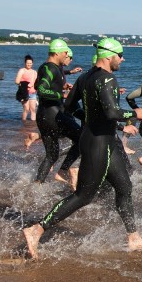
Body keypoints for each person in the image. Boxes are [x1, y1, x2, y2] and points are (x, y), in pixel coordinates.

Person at [22, 38, 142, 259]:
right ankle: (37, 229)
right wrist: (134, 114)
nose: (122, 59)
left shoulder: (85, 78)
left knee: (124, 186)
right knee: (84, 195)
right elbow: (112, 112)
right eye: (120, 54)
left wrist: (94, 120)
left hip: (101, 139)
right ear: (109, 56)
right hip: (97, 143)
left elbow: (68, 107)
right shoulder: (108, 79)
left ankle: (133, 237)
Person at [33, 39, 82, 187]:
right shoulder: (51, 68)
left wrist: (61, 86)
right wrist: (62, 95)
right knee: (81, 138)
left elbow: (37, 84)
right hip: (52, 114)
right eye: (65, 52)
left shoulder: (47, 67)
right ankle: (63, 171)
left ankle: (37, 185)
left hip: (43, 115)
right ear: (57, 52)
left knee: (52, 155)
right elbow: (41, 89)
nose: (67, 54)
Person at [15, 55, 38, 121]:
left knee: (33, 109)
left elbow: (36, 82)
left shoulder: (34, 72)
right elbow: (17, 81)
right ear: (25, 63)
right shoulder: (22, 70)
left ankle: (33, 124)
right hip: (24, 93)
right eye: (28, 63)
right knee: (26, 109)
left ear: (32, 63)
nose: (29, 64)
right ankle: (24, 123)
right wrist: (25, 85)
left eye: (30, 63)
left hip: (33, 93)